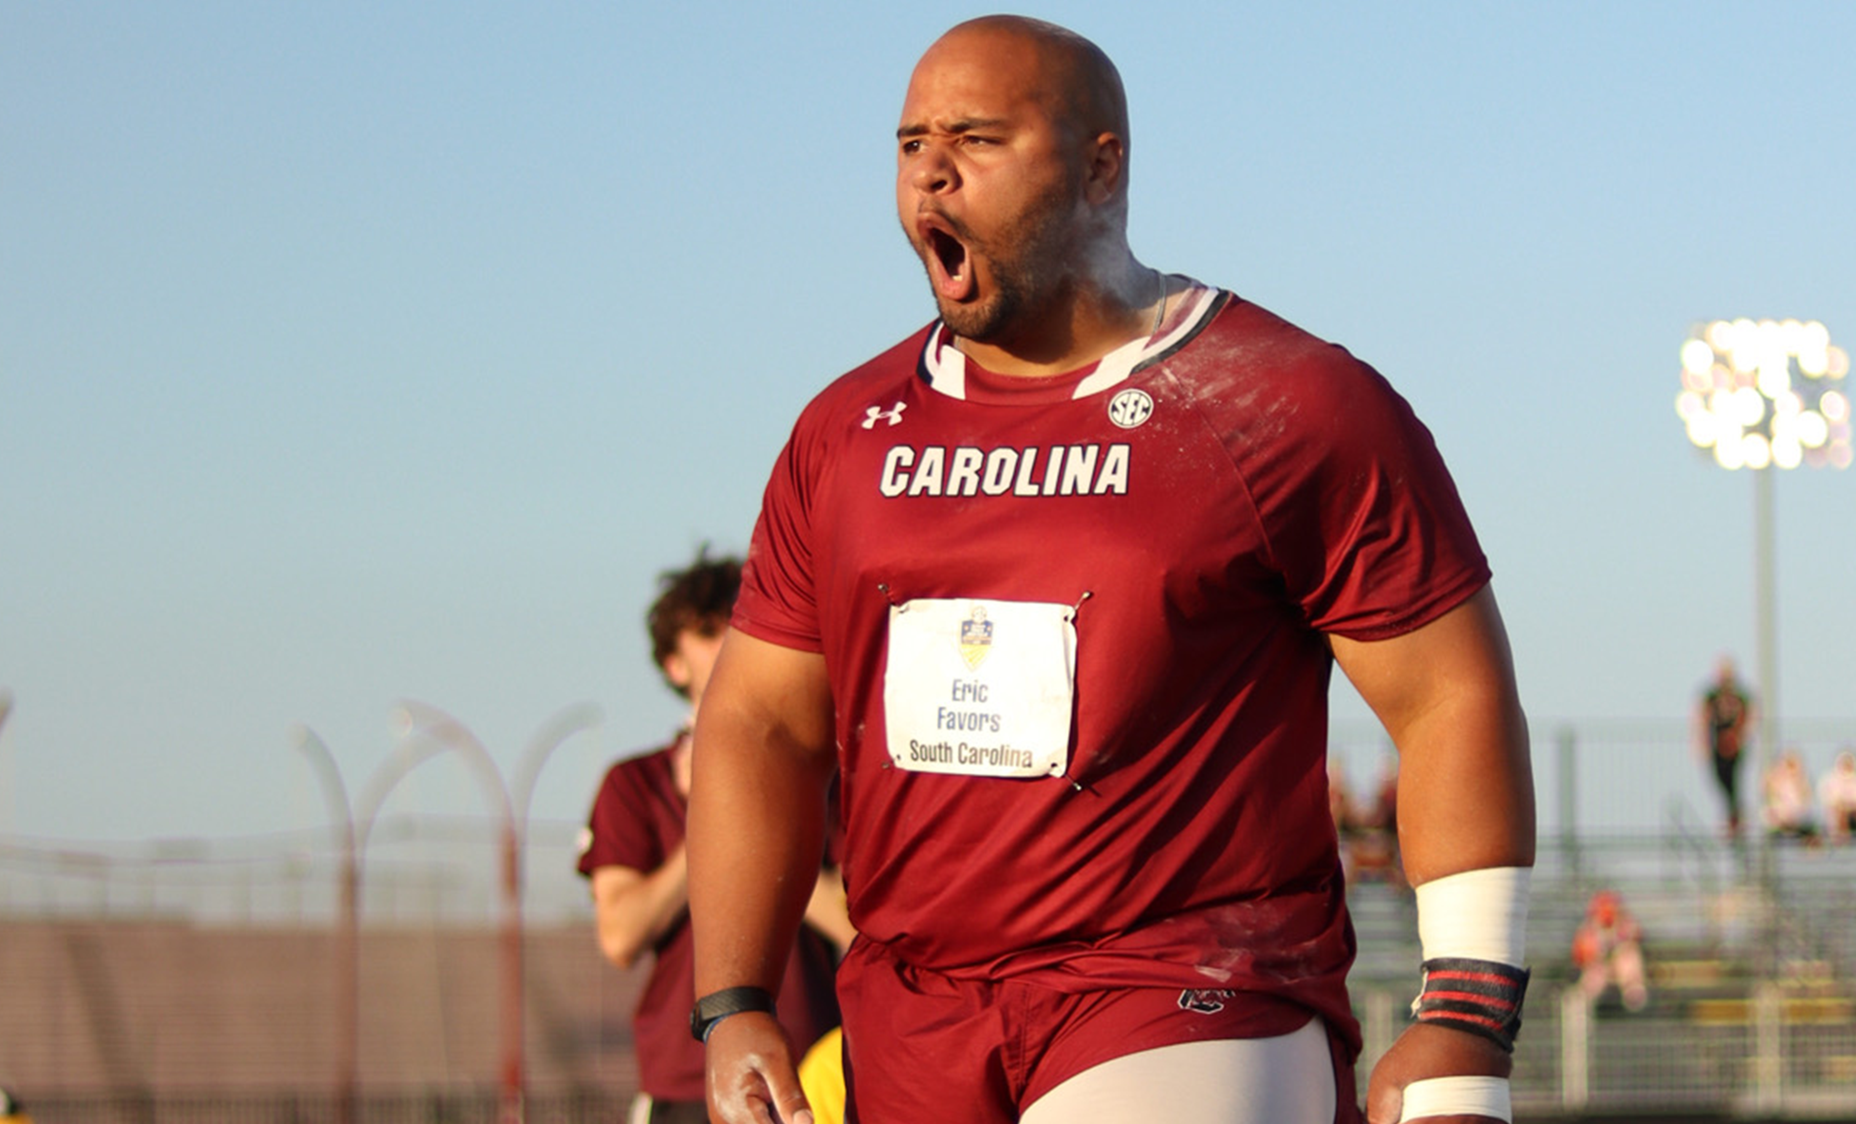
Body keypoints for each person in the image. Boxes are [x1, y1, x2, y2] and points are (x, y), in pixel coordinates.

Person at [685, 16, 1535, 1124]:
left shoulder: (1285, 402)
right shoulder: (843, 432)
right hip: (913, 1011)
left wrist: (1465, 1013)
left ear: (1101, 166)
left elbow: (1447, 694)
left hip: (1183, 988)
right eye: (909, 144)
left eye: (976, 139)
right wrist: (734, 996)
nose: (930, 169)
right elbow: (761, 720)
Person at [577, 550, 849, 1123]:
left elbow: (857, 923)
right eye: (705, 630)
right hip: (687, 1077)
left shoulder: (823, 780)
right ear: (673, 663)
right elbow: (621, 934)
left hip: (815, 1071)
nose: (726, 637)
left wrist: (763, 815)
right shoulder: (634, 784)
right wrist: (712, 815)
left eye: (737, 619)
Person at [1695, 656, 1755, 839]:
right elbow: (1701, 717)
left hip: (1734, 747)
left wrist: (1740, 737)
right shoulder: (1711, 695)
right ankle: (1734, 815)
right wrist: (1701, 741)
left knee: (1733, 781)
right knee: (1719, 779)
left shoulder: (1741, 696)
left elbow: (1750, 715)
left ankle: (1735, 818)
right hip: (1717, 746)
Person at [1570, 890, 1648, 1012]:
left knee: (1629, 957)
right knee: (1593, 977)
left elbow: (1637, 937)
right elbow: (1582, 957)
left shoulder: (1626, 925)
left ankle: (1634, 994)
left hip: (1621, 968)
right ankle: (1580, 1005)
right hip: (1599, 968)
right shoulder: (1588, 931)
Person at [1760, 747, 1819, 845]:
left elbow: (1805, 801)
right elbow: (1768, 796)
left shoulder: (1802, 781)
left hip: (1797, 820)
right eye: (1788, 764)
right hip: (1778, 820)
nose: (1791, 768)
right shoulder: (1774, 779)